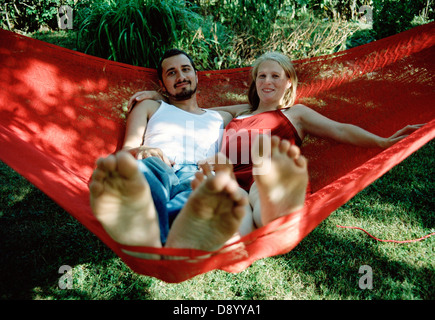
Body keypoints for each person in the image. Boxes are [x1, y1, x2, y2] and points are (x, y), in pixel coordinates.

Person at [131, 51, 423, 229]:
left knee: (264, 209)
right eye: (261, 76)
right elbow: (187, 107)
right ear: (254, 82)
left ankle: (273, 228)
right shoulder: (237, 113)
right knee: (234, 224)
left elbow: (341, 130)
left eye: (275, 76)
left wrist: (383, 143)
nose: (267, 82)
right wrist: (158, 96)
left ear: (289, 82)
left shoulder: (295, 113)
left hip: (265, 179)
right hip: (229, 185)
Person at [90, 49, 307, 257]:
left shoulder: (220, 117)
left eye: (185, 70)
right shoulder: (150, 107)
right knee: (139, 178)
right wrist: (144, 146)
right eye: (171, 73)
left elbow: (260, 105)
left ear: (196, 75)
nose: (181, 76)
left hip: (198, 173)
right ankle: (144, 224)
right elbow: (127, 150)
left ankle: (158, 239)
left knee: (193, 202)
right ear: (162, 83)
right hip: (155, 163)